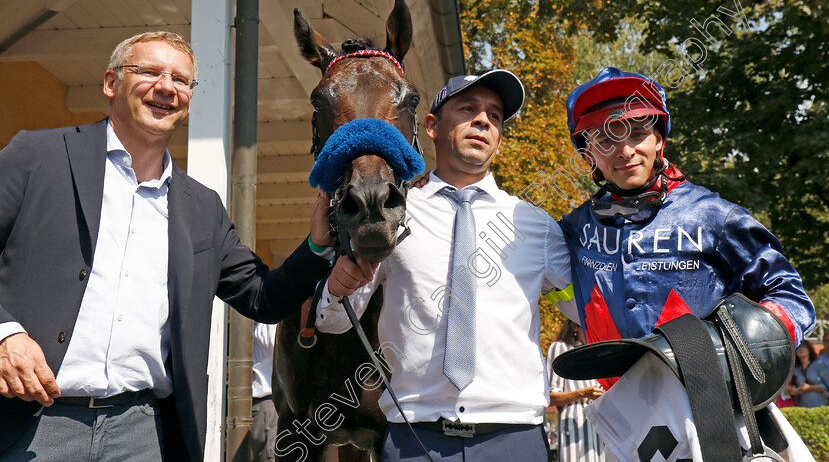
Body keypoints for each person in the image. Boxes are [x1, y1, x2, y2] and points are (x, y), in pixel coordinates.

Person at [0, 31, 331, 460]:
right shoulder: (38, 155)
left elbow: (262, 297)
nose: (166, 87)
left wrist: (318, 246)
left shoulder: (201, 208)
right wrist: (5, 334)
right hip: (32, 422)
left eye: (181, 80)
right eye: (149, 71)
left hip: (142, 432)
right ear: (110, 83)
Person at [316, 70, 577, 461]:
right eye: (468, 109)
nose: (483, 121)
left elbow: (583, 309)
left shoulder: (536, 226)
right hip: (415, 441)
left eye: (494, 115)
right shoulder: (389, 213)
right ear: (432, 126)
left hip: (515, 439)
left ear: (500, 140)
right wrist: (337, 288)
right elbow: (333, 320)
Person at [557, 67, 816, 457]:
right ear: (587, 152)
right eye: (606, 139)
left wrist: (737, 357)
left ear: (659, 138)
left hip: (720, 414)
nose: (625, 151)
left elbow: (793, 299)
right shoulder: (571, 230)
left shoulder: (714, 214)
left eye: (637, 133)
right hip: (626, 429)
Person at [546, 320, 605, 462]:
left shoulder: (596, 351)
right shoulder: (560, 348)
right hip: (574, 423)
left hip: (598, 423)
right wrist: (583, 393)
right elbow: (550, 397)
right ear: (575, 327)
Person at [250, 323, 279, 462]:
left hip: (269, 400)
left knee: (269, 456)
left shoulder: (269, 324)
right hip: (264, 402)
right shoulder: (264, 325)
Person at [791, 339, 829, 407]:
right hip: (802, 408)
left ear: (809, 349)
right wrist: (793, 390)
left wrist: (810, 388)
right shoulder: (795, 369)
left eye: (804, 347)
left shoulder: (819, 365)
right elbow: (793, 386)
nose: (801, 349)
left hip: (820, 406)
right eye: (799, 347)